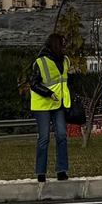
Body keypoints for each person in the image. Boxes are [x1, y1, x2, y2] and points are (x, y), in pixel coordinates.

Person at [29, 33, 71, 183]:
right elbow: (33, 83)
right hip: (42, 105)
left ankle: (61, 170)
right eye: (63, 44)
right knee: (44, 137)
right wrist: (48, 93)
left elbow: (64, 80)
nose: (65, 47)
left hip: (59, 104)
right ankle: (41, 172)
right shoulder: (40, 62)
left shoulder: (66, 61)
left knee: (62, 135)